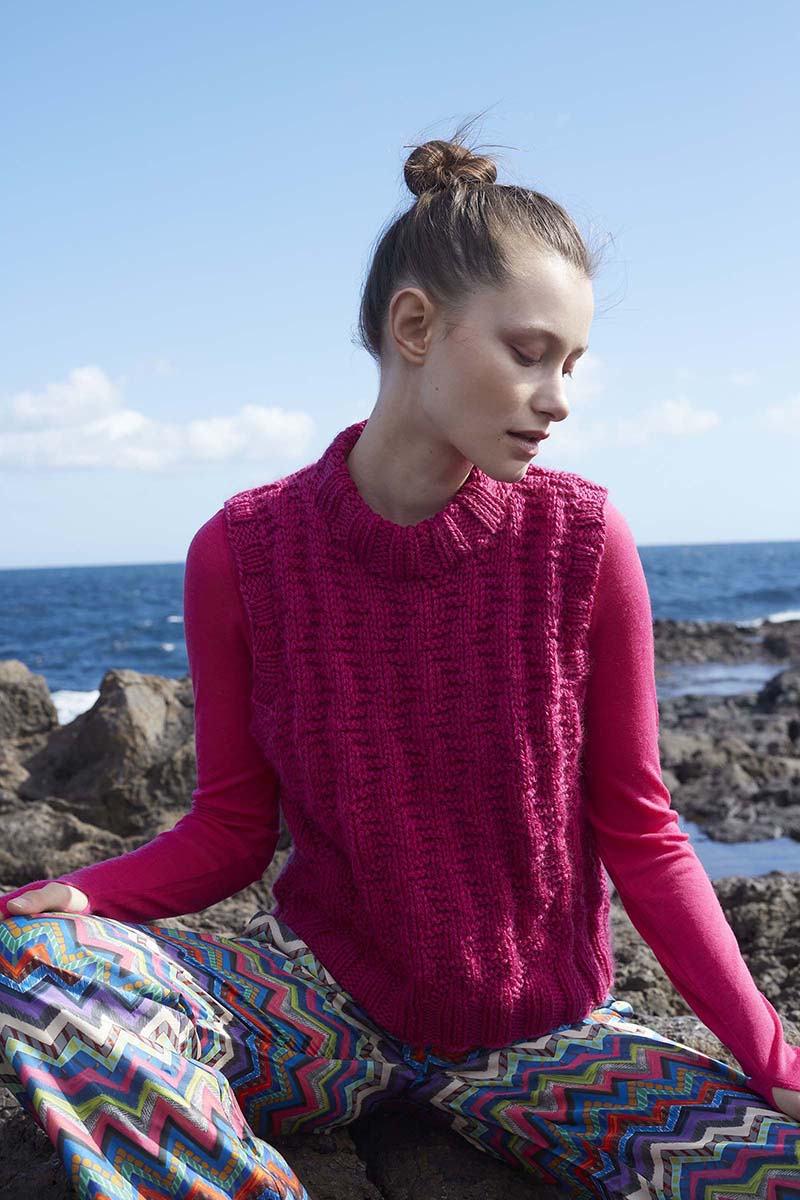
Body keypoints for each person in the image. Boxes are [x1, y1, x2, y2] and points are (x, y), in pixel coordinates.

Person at [2, 113, 800, 1200]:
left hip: (544, 1036)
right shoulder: (243, 552)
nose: (558, 397)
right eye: (528, 354)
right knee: (42, 963)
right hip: (309, 1006)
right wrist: (83, 898)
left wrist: (770, 1053)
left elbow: (642, 830)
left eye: (571, 363)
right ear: (415, 325)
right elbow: (230, 830)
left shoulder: (582, 542)